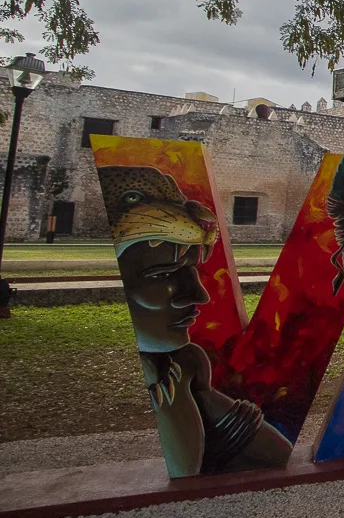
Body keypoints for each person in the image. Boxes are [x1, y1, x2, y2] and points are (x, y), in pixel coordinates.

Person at [100, 165, 292, 477]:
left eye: (193, 271)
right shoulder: (182, 366)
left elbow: (272, 453)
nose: (201, 297)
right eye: (162, 274)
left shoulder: (187, 363)